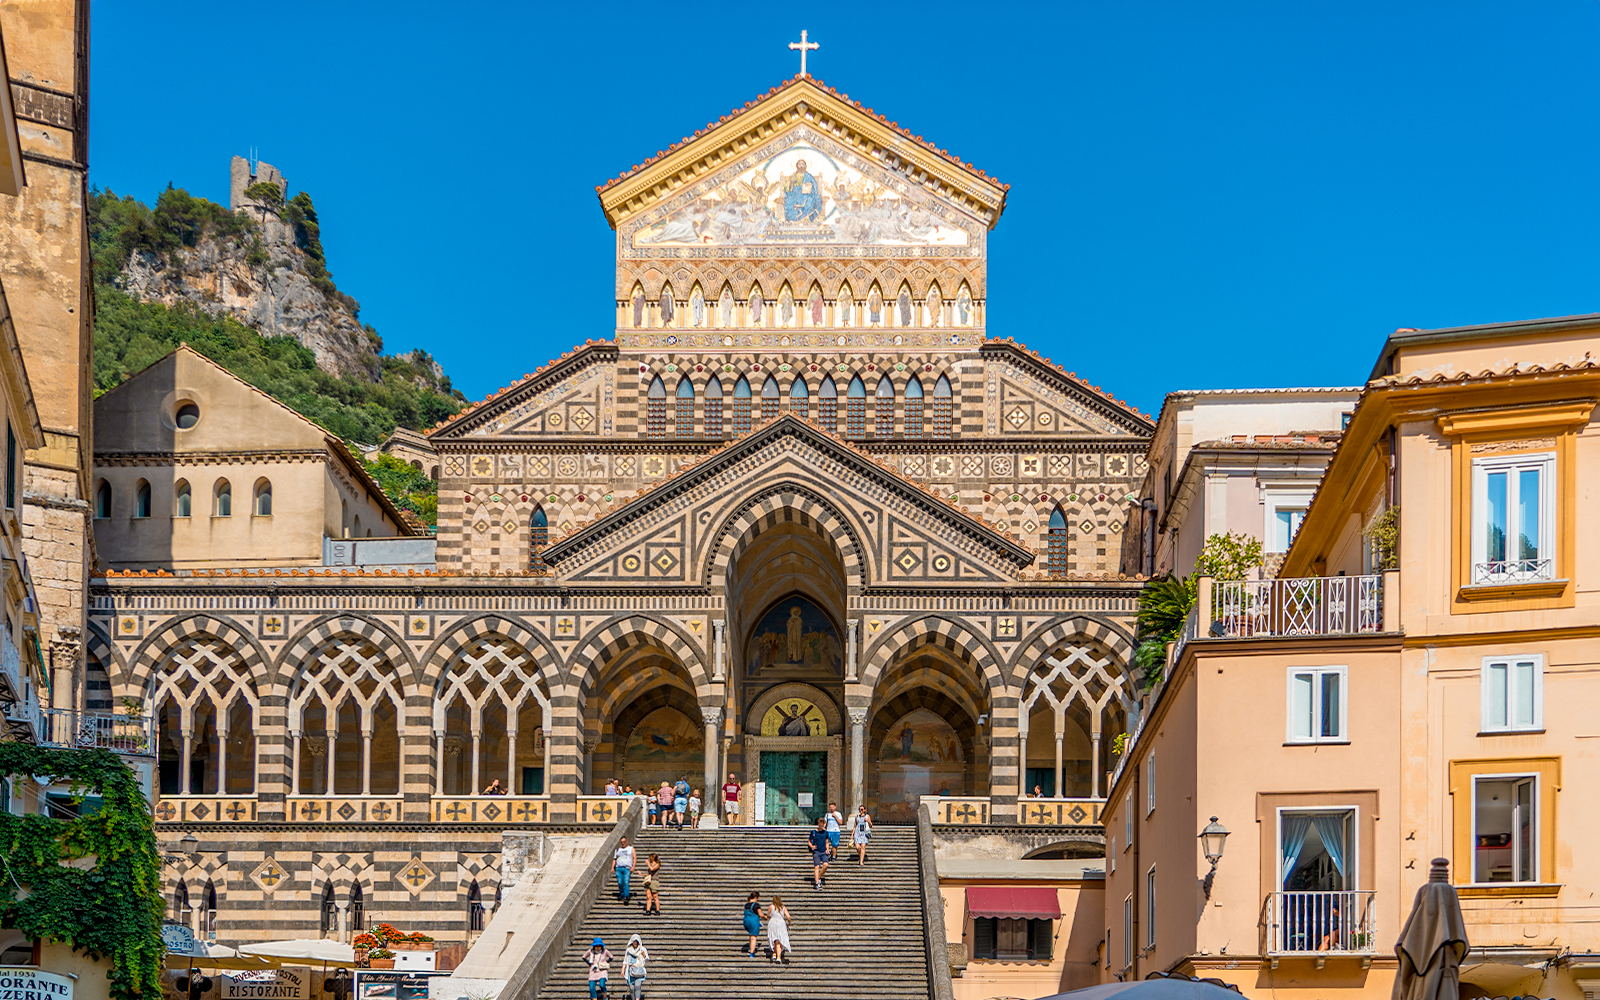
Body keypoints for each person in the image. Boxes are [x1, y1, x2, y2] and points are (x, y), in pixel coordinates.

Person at [622, 934, 648, 1000]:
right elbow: (625, 961)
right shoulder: (628, 950)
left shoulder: (642, 949)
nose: (635, 942)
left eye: (636, 941)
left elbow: (647, 959)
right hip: (630, 971)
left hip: (639, 971)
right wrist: (623, 970)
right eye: (634, 941)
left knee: (637, 985)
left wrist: (643, 955)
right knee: (631, 988)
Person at [766, 896, 791, 964]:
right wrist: (789, 924)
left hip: (773, 923)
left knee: (775, 939)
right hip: (781, 923)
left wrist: (769, 916)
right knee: (779, 940)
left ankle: (775, 954)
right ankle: (778, 957)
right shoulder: (783, 907)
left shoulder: (771, 906)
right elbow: (788, 917)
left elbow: (768, 915)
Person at [808, 817, 831, 890]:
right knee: (817, 867)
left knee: (825, 865)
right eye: (820, 825)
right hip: (817, 851)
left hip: (823, 851)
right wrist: (812, 846)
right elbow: (809, 841)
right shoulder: (814, 832)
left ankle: (818, 877)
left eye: (822, 825)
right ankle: (817, 883)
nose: (821, 826)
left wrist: (827, 849)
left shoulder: (825, 833)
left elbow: (827, 842)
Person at [612, 836, 635, 904]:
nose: (623, 843)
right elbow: (614, 859)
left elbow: (634, 858)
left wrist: (633, 866)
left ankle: (626, 896)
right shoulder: (617, 850)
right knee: (620, 882)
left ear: (627, 841)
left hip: (627, 868)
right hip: (618, 868)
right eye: (621, 842)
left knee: (626, 882)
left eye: (624, 842)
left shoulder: (631, 848)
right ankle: (622, 894)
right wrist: (612, 867)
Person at [742, 892, 762, 957]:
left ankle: (751, 948)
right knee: (753, 937)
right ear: (755, 897)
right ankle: (752, 953)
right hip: (753, 922)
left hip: (746, 921)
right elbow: (760, 914)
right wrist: (766, 917)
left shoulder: (746, 905)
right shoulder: (756, 905)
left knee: (751, 935)